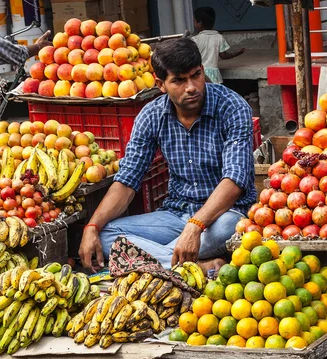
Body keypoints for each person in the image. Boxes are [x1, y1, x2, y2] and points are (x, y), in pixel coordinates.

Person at [78, 38, 256, 274]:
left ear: (203, 71)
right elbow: (127, 179)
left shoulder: (232, 106)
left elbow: (235, 180)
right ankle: (194, 267)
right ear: (161, 84)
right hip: (175, 216)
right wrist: (91, 226)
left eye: (196, 75)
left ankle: (150, 261)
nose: (191, 87)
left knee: (232, 228)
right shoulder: (152, 115)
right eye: (179, 81)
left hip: (224, 214)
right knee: (106, 234)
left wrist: (195, 227)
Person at [192, 7, 244, 84]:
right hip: (215, 77)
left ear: (199, 24)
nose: (194, 24)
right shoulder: (219, 37)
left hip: (200, 75)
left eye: (194, 21)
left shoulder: (195, 39)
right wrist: (237, 53)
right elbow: (223, 56)